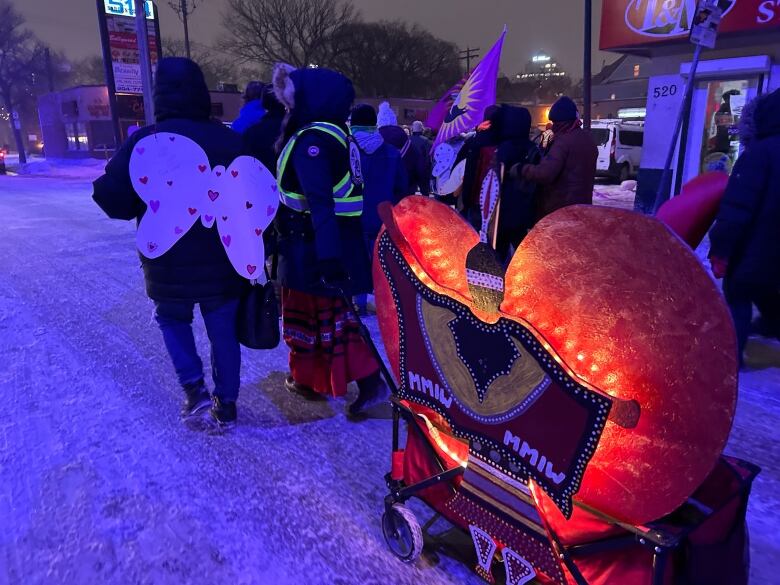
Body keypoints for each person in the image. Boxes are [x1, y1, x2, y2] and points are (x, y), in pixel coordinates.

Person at [92, 58, 244, 427]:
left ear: (159, 94)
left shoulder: (145, 142)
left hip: (165, 255)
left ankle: (194, 392)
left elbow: (110, 197)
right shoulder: (228, 140)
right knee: (223, 326)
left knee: (172, 319)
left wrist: (141, 201)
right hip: (222, 256)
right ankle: (227, 402)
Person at [272, 64, 386, 417]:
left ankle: (366, 382)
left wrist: (329, 259)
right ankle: (313, 379)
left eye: (293, 98)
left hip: (313, 246)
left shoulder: (312, 141)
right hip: (329, 242)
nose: (288, 106)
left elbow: (320, 201)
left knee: (320, 318)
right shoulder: (338, 133)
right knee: (329, 319)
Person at [709, 88, 780, 364]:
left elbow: (737, 209)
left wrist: (721, 249)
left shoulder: (758, 155)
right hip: (773, 256)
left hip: (754, 251)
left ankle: (729, 361)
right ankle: (770, 326)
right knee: (767, 292)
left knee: (738, 296)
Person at [350, 103, 408, 314]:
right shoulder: (391, 152)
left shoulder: (346, 149)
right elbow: (402, 185)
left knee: (354, 258)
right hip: (383, 215)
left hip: (352, 215)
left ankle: (358, 302)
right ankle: (386, 303)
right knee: (382, 260)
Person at [516, 96, 598, 220]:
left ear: (560, 122)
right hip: (582, 206)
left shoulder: (563, 142)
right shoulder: (588, 139)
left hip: (559, 208)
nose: (553, 126)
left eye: (554, 122)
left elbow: (545, 173)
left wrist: (521, 169)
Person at [492, 105, 540, 261]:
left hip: (502, 210)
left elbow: (494, 178)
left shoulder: (503, 148)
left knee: (497, 254)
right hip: (524, 209)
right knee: (523, 254)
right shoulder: (531, 147)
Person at [378, 103, 431, 196]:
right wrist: (424, 189)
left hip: (379, 192)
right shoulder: (406, 141)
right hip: (405, 192)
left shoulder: (373, 140)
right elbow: (420, 166)